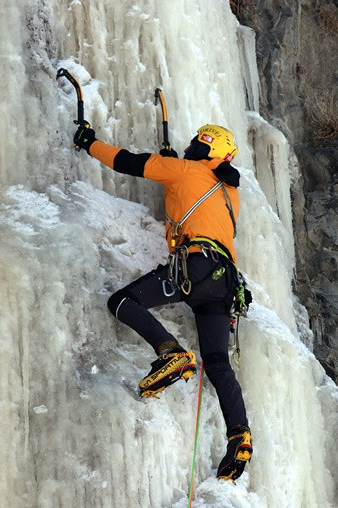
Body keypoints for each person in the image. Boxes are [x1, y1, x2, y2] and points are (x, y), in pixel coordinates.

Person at [73, 122, 253, 481]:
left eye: (194, 145)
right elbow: (192, 198)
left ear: (203, 147)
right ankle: (240, 436)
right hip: (225, 283)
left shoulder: (183, 170)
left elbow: (127, 162)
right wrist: (177, 165)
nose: (189, 148)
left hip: (196, 267)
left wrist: (89, 142)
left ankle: (170, 353)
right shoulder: (230, 192)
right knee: (217, 362)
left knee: (122, 301)